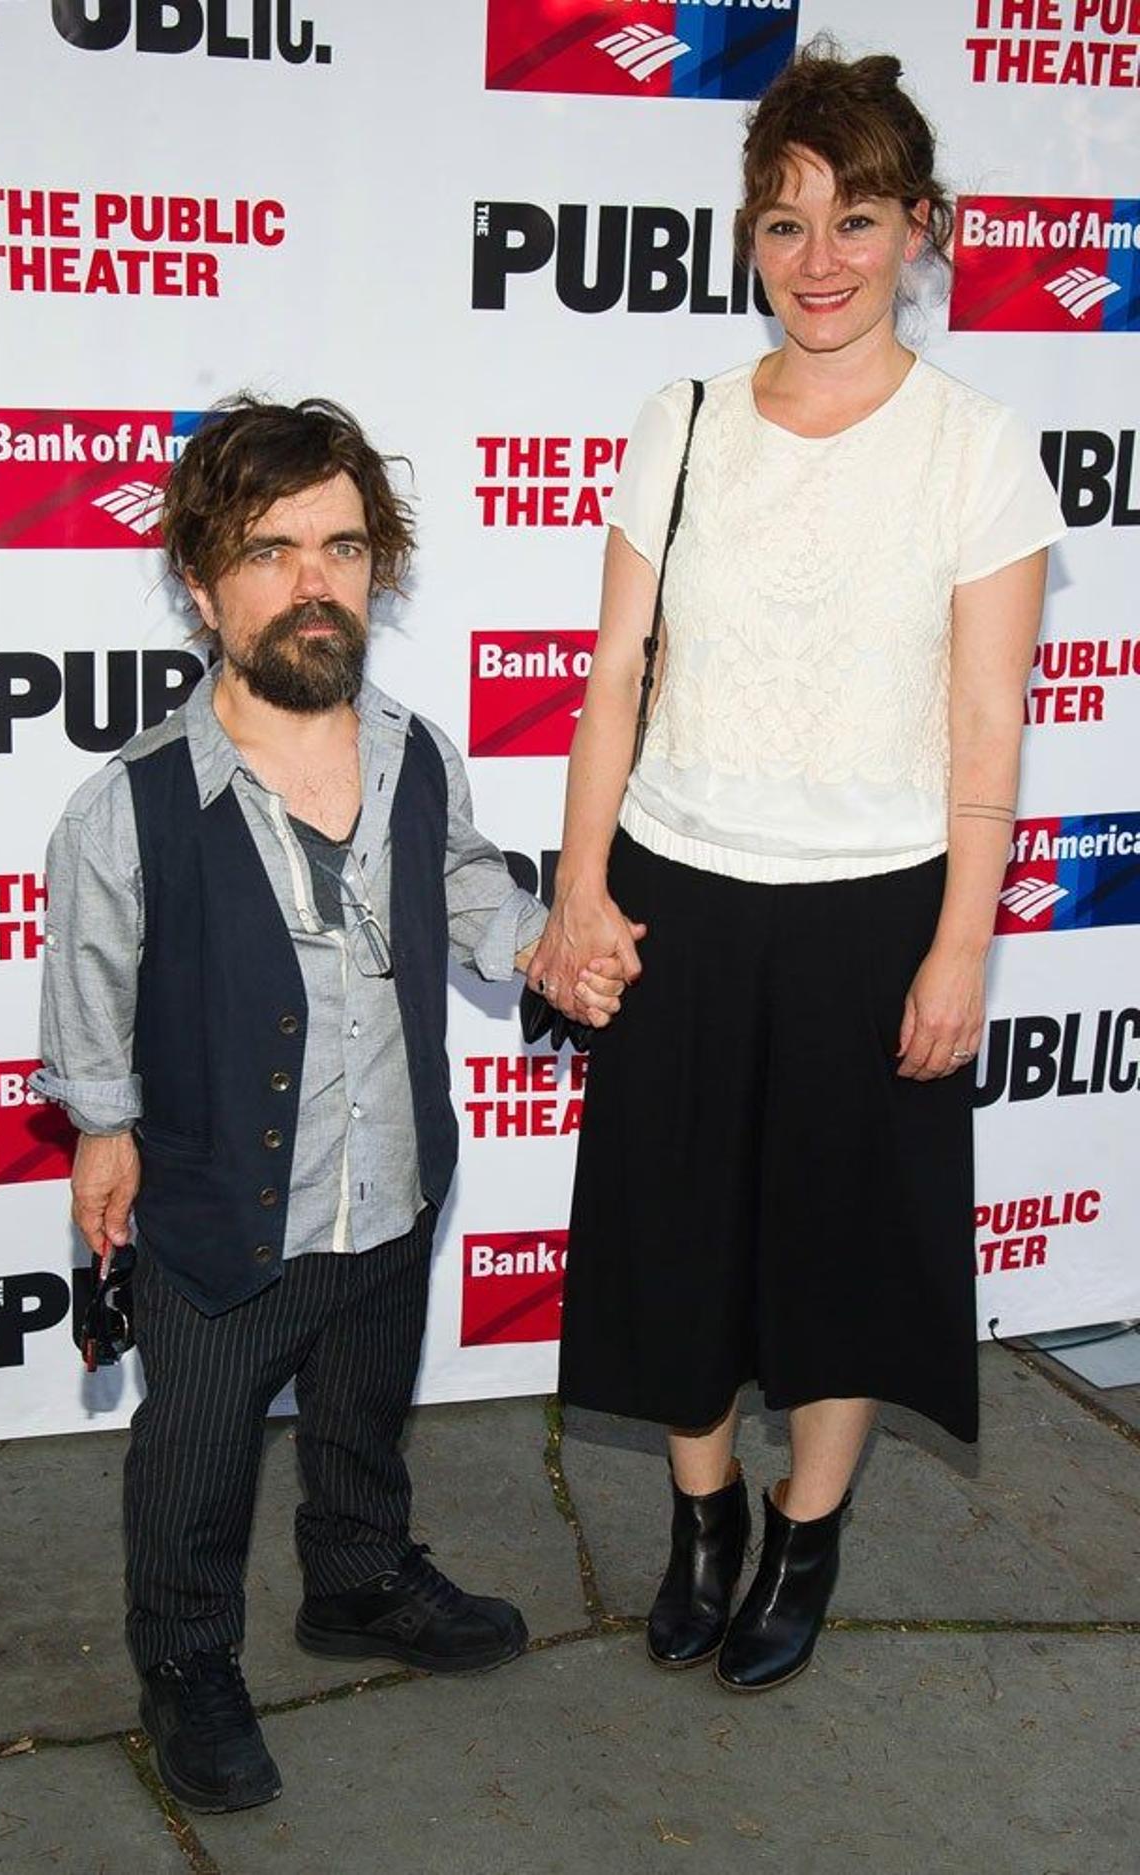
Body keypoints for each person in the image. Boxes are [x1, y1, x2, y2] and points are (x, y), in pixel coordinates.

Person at [527, 43, 1066, 1695]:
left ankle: (807, 1529)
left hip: (877, 907)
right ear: (749, 238)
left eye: (856, 218)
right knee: (675, 1240)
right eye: (783, 222)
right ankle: (700, 1518)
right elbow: (616, 675)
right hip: (680, 892)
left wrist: (962, 945)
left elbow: (990, 723)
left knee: (840, 1255)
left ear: (924, 229)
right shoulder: (679, 424)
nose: (818, 258)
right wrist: (579, 885)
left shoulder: (978, 446)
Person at [31, 396, 629, 1813]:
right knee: (195, 1459)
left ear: (381, 565)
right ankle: (182, 1660)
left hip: (394, 1179)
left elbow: (462, 874)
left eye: (346, 547)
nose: (316, 583)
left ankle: (357, 1582)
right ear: (199, 579)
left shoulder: (417, 751)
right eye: (273, 549)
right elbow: (90, 985)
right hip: (217, 1212)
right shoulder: (127, 804)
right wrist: (105, 1133)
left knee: (365, 1415)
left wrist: (542, 941)